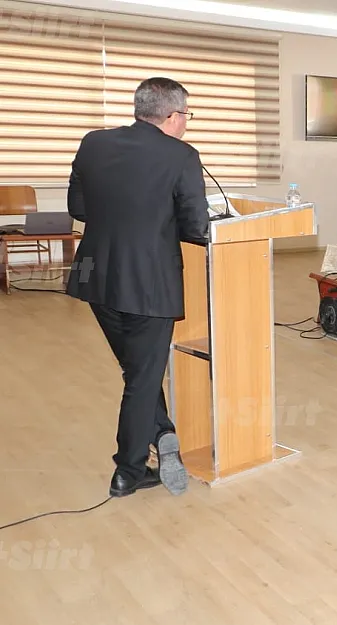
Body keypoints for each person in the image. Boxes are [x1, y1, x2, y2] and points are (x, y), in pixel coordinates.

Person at [66, 77, 207, 498]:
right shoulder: (182, 156)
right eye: (188, 115)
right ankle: (128, 471)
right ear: (171, 115)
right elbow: (196, 227)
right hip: (147, 282)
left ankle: (161, 429)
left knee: (137, 370)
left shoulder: (94, 142)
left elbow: (79, 209)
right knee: (143, 378)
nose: (187, 124)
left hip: (94, 275)